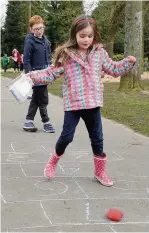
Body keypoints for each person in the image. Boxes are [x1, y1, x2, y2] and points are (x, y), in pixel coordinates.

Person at [26, 15, 136, 186]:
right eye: (82, 36)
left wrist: (127, 63)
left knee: (97, 138)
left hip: (93, 104)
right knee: (66, 137)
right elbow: (51, 73)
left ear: (95, 36)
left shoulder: (99, 53)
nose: (86, 40)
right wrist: (32, 76)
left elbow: (113, 69)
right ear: (74, 35)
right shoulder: (67, 55)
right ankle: (53, 161)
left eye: (90, 36)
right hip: (74, 104)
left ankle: (100, 172)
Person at [23, 15, 55, 133]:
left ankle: (29, 121)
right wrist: (29, 76)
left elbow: (49, 59)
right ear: (31, 29)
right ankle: (46, 122)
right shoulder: (30, 41)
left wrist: (51, 74)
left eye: (41, 28)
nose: (39, 31)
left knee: (37, 98)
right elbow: (26, 60)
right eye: (36, 29)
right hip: (35, 75)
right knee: (42, 98)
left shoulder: (46, 41)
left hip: (45, 74)